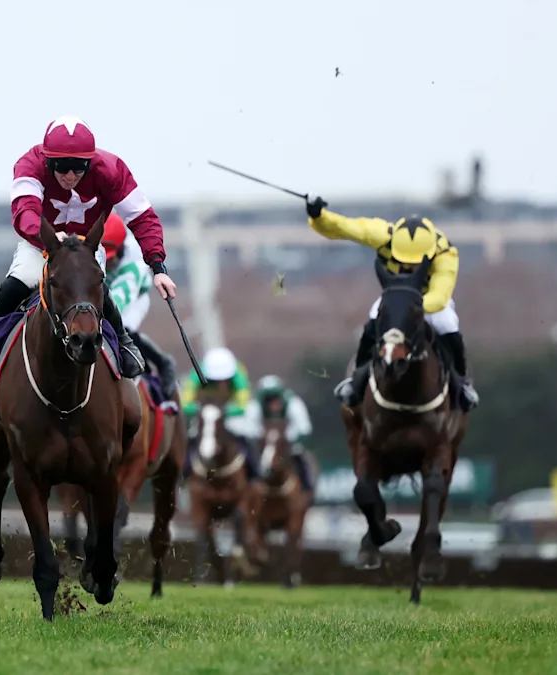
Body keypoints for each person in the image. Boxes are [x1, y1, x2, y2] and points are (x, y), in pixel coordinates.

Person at [0, 115, 177, 379]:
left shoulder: (112, 169)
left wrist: (158, 266)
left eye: (79, 167)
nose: (70, 175)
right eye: (61, 167)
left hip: (85, 247)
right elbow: (24, 211)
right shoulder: (30, 165)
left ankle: (123, 341)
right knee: (19, 280)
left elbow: (142, 218)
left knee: (96, 289)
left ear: (90, 161)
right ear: (47, 160)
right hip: (43, 244)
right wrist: (49, 238)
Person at [305, 196, 479, 411]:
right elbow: (342, 227)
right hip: (394, 297)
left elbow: (439, 296)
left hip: (427, 301)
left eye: (415, 262)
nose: (408, 264)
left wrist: (406, 311)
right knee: (372, 323)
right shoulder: (382, 234)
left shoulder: (446, 254)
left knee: (448, 325)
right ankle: (356, 381)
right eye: (403, 258)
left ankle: (461, 383)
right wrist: (317, 216)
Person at [99, 213, 178, 397]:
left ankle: (162, 362)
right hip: (105, 291)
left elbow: (117, 303)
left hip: (133, 299)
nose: (107, 265)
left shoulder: (134, 264)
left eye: (111, 260)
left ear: (121, 250)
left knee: (120, 326)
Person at [180, 347, 262, 483]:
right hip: (206, 412)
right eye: (215, 380)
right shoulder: (196, 373)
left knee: (245, 435)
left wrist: (224, 412)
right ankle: (185, 471)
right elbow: (186, 404)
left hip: (230, 413)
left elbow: (243, 404)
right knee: (193, 435)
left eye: (225, 379)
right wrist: (202, 410)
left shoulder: (239, 373)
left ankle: (254, 471)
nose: (221, 383)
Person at [242, 375, 315, 493]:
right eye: (268, 399)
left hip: (287, 442)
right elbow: (250, 429)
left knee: (299, 454)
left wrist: (286, 438)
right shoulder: (254, 406)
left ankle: (306, 485)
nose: (273, 403)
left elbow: (304, 427)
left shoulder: (293, 403)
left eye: (275, 398)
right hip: (264, 442)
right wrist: (264, 437)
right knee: (248, 457)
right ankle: (249, 484)